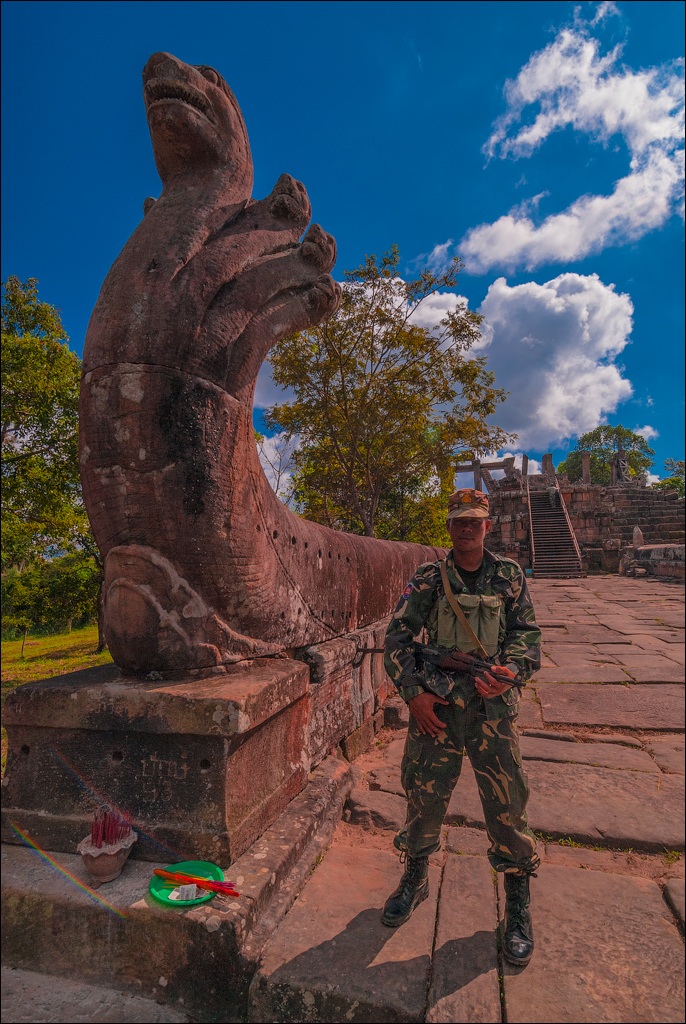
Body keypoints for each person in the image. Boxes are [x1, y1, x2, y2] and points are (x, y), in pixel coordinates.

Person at [382, 488, 541, 966]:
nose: (466, 528)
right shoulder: (430, 577)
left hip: (492, 712)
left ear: (487, 526)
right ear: (449, 527)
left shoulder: (508, 575)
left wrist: (511, 672)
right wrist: (414, 694)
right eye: (458, 521)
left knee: (508, 801)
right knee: (423, 794)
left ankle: (516, 897)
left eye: (475, 520)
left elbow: (526, 635)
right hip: (439, 709)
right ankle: (415, 873)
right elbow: (398, 637)